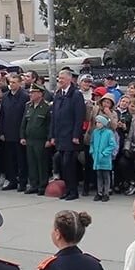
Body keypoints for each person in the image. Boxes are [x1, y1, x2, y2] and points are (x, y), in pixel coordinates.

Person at [51, 69, 86, 201]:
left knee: (69, 163)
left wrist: (76, 135)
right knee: (62, 163)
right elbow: (54, 116)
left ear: (69, 79)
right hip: (60, 135)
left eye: (62, 78)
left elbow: (79, 116)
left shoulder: (76, 95)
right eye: (59, 78)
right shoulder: (59, 94)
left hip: (71, 136)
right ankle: (67, 189)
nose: (60, 80)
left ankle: (73, 190)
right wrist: (53, 135)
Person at [21, 84, 51, 195]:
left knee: (41, 163)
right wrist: (22, 136)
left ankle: (42, 185)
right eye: (30, 92)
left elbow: (49, 124)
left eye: (33, 92)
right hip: (30, 139)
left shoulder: (47, 107)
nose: (31, 95)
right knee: (31, 163)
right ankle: (34, 184)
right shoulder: (28, 106)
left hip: (41, 139)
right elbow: (24, 122)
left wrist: (49, 138)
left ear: (40, 94)